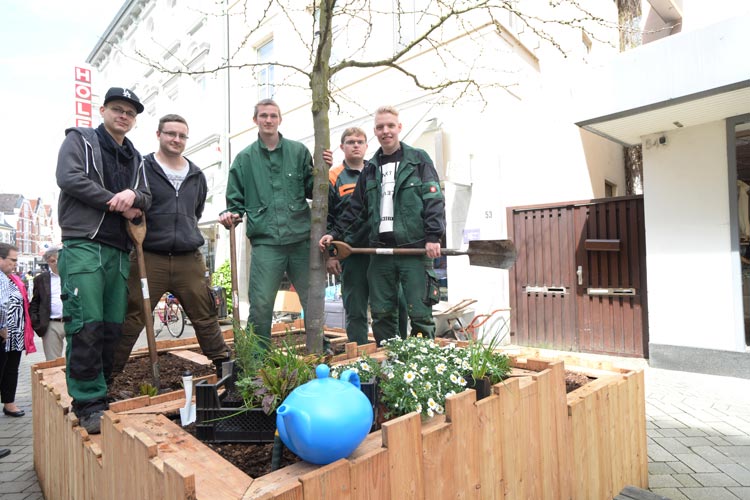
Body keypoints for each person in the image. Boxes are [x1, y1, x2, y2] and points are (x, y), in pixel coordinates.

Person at [55, 87, 151, 434]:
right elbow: (69, 178)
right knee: (86, 324)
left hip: (119, 248)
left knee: (112, 327)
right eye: (117, 109)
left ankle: (102, 389)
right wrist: (115, 200)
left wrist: (135, 196)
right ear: (103, 110)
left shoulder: (135, 156)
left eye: (130, 112)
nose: (123, 115)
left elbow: (146, 195)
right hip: (84, 243)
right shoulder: (80, 140)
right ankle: (87, 402)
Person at [112, 114, 231, 377]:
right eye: (170, 134)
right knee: (132, 317)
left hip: (188, 258)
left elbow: (195, 213)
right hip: (148, 256)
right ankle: (108, 376)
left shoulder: (197, 175)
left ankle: (225, 367)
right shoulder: (141, 167)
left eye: (181, 135)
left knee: (204, 314)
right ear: (158, 135)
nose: (176, 139)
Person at [320, 106, 446, 345]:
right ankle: (389, 365)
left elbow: (434, 199)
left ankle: (422, 368)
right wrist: (334, 234)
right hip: (379, 252)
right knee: (382, 315)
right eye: (380, 127)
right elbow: (355, 210)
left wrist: (433, 236)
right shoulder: (370, 169)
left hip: (413, 250)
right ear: (375, 132)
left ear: (399, 127)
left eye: (390, 126)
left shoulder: (418, 159)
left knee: (419, 314)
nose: (385, 131)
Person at [219, 99, 331, 347]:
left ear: (280, 119)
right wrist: (230, 215)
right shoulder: (244, 159)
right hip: (266, 243)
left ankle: (319, 348)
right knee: (261, 303)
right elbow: (234, 202)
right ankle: (258, 359)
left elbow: (315, 192)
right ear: (255, 120)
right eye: (263, 116)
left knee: (313, 298)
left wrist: (324, 170)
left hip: (300, 241)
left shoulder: (298, 152)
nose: (268, 120)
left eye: (273, 116)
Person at [325, 127, 408, 344]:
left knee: (395, 303)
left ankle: (398, 350)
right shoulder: (333, 177)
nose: (356, 145)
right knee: (356, 307)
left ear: (366, 146)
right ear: (342, 147)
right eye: (350, 142)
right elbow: (329, 218)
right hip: (352, 254)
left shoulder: (378, 171)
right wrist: (332, 254)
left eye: (360, 142)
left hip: (381, 251)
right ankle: (360, 355)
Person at [0, 243, 37, 424]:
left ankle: (9, 403)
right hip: (2, 334)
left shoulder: (14, 280)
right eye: (12, 260)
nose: (15, 264)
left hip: (15, 336)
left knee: (11, 369)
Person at [29, 248, 66, 361]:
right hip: (51, 324)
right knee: (52, 361)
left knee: (76, 358)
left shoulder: (73, 276)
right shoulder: (40, 279)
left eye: (58, 259)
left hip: (73, 322)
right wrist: (37, 323)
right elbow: (35, 302)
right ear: (48, 262)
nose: (56, 263)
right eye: (52, 260)